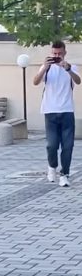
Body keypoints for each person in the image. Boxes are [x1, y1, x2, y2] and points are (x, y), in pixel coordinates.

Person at [32, 40, 81, 187]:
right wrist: (44, 68)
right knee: (52, 145)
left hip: (67, 111)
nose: (57, 56)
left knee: (68, 146)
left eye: (59, 54)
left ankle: (64, 174)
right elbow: (35, 82)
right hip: (50, 110)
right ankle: (52, 167)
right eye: (54, 53)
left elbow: (78, 81)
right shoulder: (46, 68)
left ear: (65, 53)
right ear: (51, 53)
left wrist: (68, 69)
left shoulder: (71, 67)